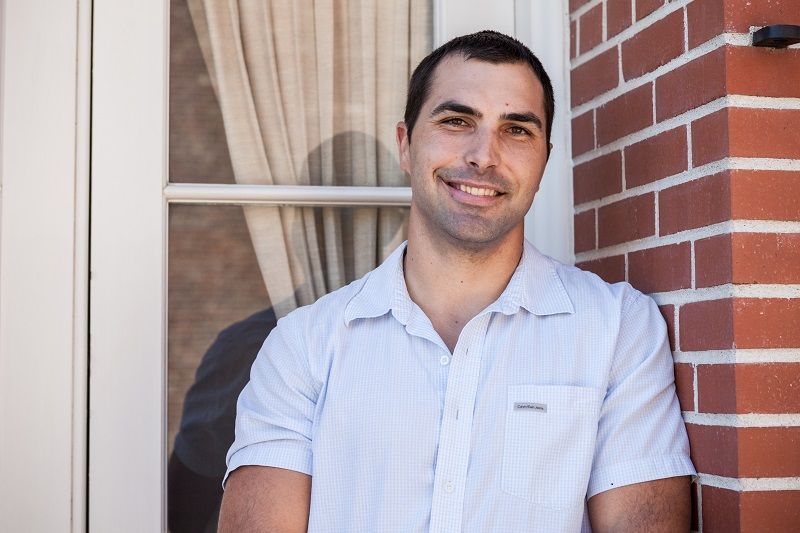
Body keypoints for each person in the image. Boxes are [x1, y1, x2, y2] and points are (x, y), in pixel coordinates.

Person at [218, 30, 696, 532]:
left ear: (544, 160)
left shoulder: (618, 329)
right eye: (456, 121)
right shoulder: (302, 347)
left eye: (516, 130)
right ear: (405, 145)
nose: (483, 155)